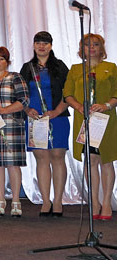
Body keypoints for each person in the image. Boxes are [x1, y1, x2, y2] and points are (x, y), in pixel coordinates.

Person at [63, 33, 117, 220]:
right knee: (91, 161)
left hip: (105, 120)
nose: (91, 47)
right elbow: (67, 94)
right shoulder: (75, 69)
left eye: (95, 44)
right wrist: (79, 107)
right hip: (85, 120)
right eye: (87, 44)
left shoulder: (111, 67)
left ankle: (107, 202)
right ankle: (94, 202)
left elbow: (116, 93)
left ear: (102, 48)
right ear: (82, 49)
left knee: (106, 161)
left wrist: (106, 105)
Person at [19, 31, 70, 217]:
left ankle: (58, 201)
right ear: (33, 45)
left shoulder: (60, 66)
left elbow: (69, 92)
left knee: (57, 156)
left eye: (45, 43)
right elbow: (20, 93)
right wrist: (26, 110)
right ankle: (46, 201)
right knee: (41, 158)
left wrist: (57, 111)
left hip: (58, 116)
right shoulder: (27, 68)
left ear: (51, 46)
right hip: (35, 119)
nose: (41, 46)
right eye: (38, 42)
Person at [0, 46, 29, 217]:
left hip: (12, 126)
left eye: (1, 58)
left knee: (13, 164)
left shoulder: (15, 77)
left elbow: (24, 101)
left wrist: (4, 110)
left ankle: (16, 202)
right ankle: (0, 201)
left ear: (7, 61)